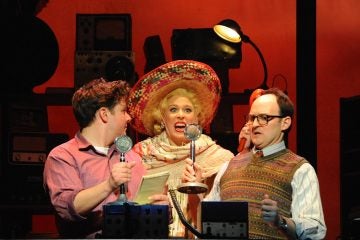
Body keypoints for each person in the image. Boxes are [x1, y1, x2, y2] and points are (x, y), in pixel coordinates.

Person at [182, 88, 327, 239]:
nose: (255, 124)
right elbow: (205, 228)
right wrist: (195, 191)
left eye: (264, 118)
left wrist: (280, 221)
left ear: (285, 123)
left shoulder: (300, 169)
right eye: (252, 118)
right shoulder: (229, 166)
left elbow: (315, 232)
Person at [43, 78, 169, 238]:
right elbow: (68, 208)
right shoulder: (63, 156)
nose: (129, 118)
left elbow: (146, 207)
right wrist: (109, 184)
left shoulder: (131, 156)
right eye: (123, 111)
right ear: (104, 114)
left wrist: (161, 208)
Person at [127, 60, 235, 237]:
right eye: (173, 109)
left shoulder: (218, 157)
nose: (180, 115)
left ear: (197, 118)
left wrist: (197, 190)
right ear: (162, 118)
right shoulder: (141, 154)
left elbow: (224, 216)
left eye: (187, 110)